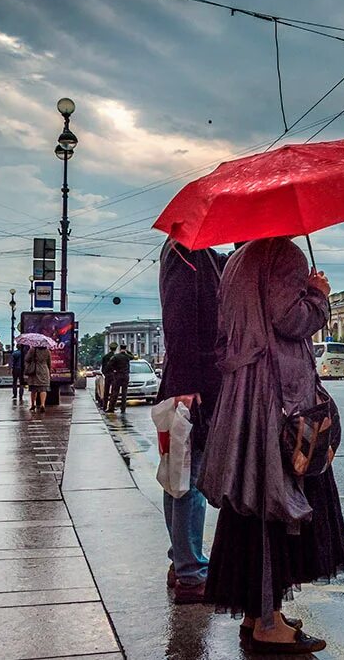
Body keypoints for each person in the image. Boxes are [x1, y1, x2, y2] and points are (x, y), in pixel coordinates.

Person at [201, 238, 344, 654]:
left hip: (244, 395)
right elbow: (290, 319)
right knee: (276, 502)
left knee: (250, 502)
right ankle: (267, 623)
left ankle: (258, 613)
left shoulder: (236, 262)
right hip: (278, 400)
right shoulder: (284, 253)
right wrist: (318, 294)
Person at [157, 239, 228, 604]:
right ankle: (190, 571)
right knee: (190, 479)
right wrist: (186, 385)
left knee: (179, 475)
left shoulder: (198, 254)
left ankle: (181, 560)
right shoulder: (184, 250)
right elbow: (180, 318)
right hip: (193, 385)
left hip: (192, 382)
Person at [24, 345, 53, 413]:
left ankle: (33, 404)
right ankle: (42, 404)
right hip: (44, 370)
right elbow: (49, 363)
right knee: (43, 388)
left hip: (34, 370)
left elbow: (27, 359)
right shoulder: (47, 351)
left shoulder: (32, 350)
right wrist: (49, 370)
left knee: (33, 389)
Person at [104, 345, 131, 414]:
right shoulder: (127, 356)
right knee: (124, 393)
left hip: (118, 375)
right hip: (126, 376)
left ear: (119, 349)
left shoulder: (116, 356)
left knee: (115, 392)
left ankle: (111, 407)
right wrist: (127, 352)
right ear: (125, 349)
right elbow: (133, 357)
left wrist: (114, 370)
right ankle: (123, 408)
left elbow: (108, 365)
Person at [98, 342, 118, 410]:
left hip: (107, 375)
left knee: (106, 391)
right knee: (113, 391)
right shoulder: (115, 357)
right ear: (115, 348)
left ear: (109, 348)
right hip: (114, 375)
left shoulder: (105, 357)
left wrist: (105, 373)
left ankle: (104, 406)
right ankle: (111, 406)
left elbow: (103, 367)